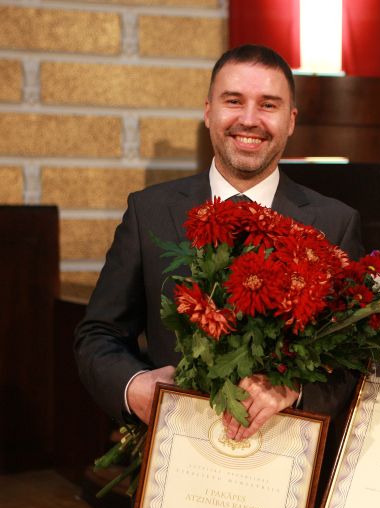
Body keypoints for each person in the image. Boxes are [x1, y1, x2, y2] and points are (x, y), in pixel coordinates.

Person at [74, 45, 363, 445]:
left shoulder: (335, 223)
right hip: (176, 449)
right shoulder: (149, 212)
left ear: (291, 120)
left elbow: (352, 362)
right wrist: (133, 385)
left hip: (285, 453)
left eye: (268, 105)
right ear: (208, 111)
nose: (250, 119)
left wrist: (296, 389)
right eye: (233, 101)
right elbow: (98, 334)